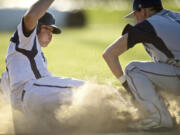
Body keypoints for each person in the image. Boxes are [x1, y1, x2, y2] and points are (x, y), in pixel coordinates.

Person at [0, 0, 85, 131]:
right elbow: (30, 16)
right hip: (31, 91)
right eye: (46, 28)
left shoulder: (29, 54)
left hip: (30, 97)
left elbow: (7, 89)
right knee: (86, 90)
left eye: (52, 30)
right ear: (36, 27)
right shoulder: (26, 39)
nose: (50, 34)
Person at [103, 0, 180, 131]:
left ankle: (159, 118)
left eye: (136, 15)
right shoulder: (176, 16)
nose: (136, 20)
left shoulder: (148, 25)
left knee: (134, 69)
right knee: (159, 70)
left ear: (143, 11)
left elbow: (109, 54)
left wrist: (128, 87)